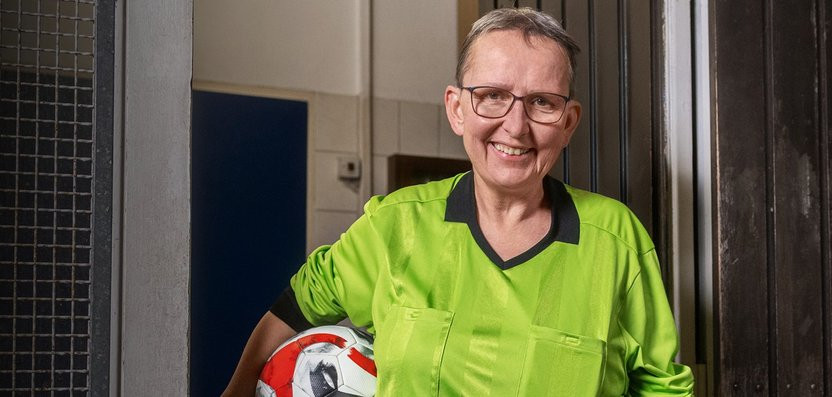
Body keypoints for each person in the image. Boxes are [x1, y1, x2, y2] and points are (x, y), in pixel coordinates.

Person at [223, 7, 694, 396]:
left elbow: (661, 386)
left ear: (569, 122)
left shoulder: (616, 240)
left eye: (542, 103)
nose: (515, 126)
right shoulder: (394, 225)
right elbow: (297, 304)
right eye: (492, 96)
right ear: (456, 109)